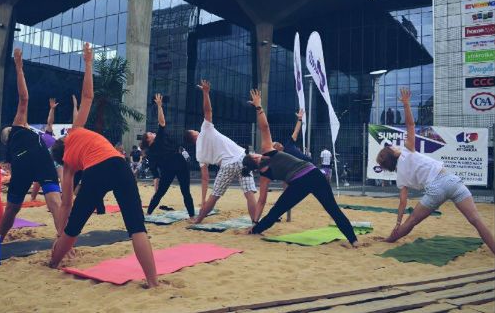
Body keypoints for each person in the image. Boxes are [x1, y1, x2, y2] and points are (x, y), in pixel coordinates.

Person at [48, 43, 157, 288]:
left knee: (74, 227)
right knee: (136, 227)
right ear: (64, 141)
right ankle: (153, 282)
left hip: (96, 171)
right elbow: (88, 96)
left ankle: (53, 262)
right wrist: (88, 63)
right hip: (119, 165)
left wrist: (59, 235)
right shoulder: (75, 132)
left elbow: (66, 204)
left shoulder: (68, 167)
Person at [377, 88, 495, 254]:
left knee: (411, 222)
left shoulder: (400, 178)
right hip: (451, 180)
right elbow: (410, 124)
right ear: (392, 153)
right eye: (391, 146)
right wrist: (406, 104)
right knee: (476, 220)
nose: (393, 145)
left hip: (435, 189)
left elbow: (403, 203)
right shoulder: (407, 150)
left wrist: (398, 223)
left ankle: (390, 239)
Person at [242, 89, 360, 247]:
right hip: (311, 175)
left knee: (280, 210)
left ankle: (256, 230)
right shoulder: (266, 162)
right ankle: (354, 241)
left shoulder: (266, 165)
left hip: (304, 179)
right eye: (254, 155)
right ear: (255, 160)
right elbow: (265, 128)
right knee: (330, 209)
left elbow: (265, 127)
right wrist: (258, 107)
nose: (257, 154)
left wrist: (259, 107)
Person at [0, 48, 64, 240]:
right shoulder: (18, 126)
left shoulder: (11, 149)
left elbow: (8, 169)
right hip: (40, 157)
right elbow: (24, 98)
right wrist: (19, 68)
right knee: (54, 201)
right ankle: (62, 240)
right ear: (9, 131)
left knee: (12, 208)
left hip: (22, 164)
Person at [183, 80, 257, 224]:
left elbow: (205, 177)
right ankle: (255, 223)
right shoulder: (205, 130)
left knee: (215, 195)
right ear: (193, 135)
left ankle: (198, 219)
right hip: (242, 158)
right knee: (249, 193)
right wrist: (205, 93)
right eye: (194, 130)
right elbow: (208, 111)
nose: (196, 129)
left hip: (227, 165)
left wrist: (203, 198)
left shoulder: (199, 154)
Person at [141, 93, 195, 218]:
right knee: (171, 192)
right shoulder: (156, 144)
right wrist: (159, 106)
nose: (152, 133)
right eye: (150, 134)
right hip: (172, 167)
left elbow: (155, 174)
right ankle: (148, 213)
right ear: (149, 140)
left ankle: (149, 213)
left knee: (182, 192)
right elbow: (162, 122)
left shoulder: (152, 149)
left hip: (178, 164)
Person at [31, 98, 62, 201]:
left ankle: (33, 197)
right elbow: (49, 122)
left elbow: (50, 122)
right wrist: (52, 109)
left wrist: (52, 109)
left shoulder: (49, 136)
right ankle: (33, 198)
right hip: (47, 154)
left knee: (61, 175)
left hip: (54, 154)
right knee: (40, 177)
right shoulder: (44, 135)